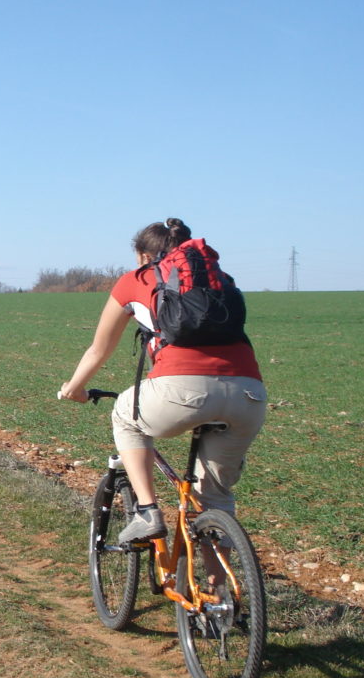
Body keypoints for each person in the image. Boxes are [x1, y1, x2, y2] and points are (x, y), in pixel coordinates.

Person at [59, 218, 266, 545]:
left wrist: (73, 389)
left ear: (143, 255)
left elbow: (99, 349)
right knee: (214, 500)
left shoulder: (136, 280)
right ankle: (219, 593)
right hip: (248, 393)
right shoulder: (220, 280)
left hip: (181, 391)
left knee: (126, 416)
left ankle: (146, 511)